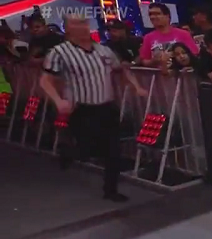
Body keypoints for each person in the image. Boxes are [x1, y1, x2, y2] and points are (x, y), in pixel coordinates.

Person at [40, 15, 148, 201]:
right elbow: (45, 80)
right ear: (68, 28)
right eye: (76, 24)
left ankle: (110, 190)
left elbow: (121, 69)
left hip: (106, 106)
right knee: (89, 149)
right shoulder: (59, 52)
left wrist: (136, 86)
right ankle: (70, 151)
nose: (82, 27)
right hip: (82, 108)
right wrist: (58, 100)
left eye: (84, 23)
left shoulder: (103, 50)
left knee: (113, 150)